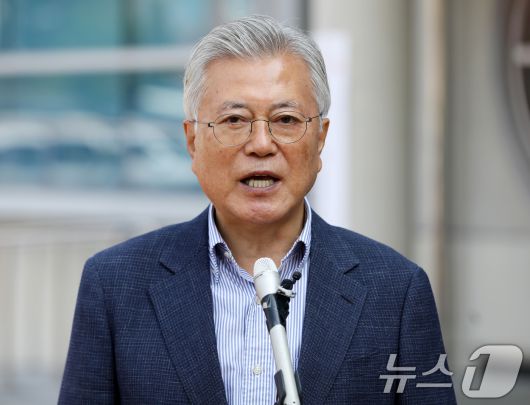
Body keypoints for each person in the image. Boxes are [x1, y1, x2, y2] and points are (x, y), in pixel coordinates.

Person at [59, 15, 456, 404]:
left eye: (286, 119)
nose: (262, 144)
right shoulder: (114, 284)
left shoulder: (396, 290)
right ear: (193, 141)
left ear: (320, 139)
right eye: (235, 119)